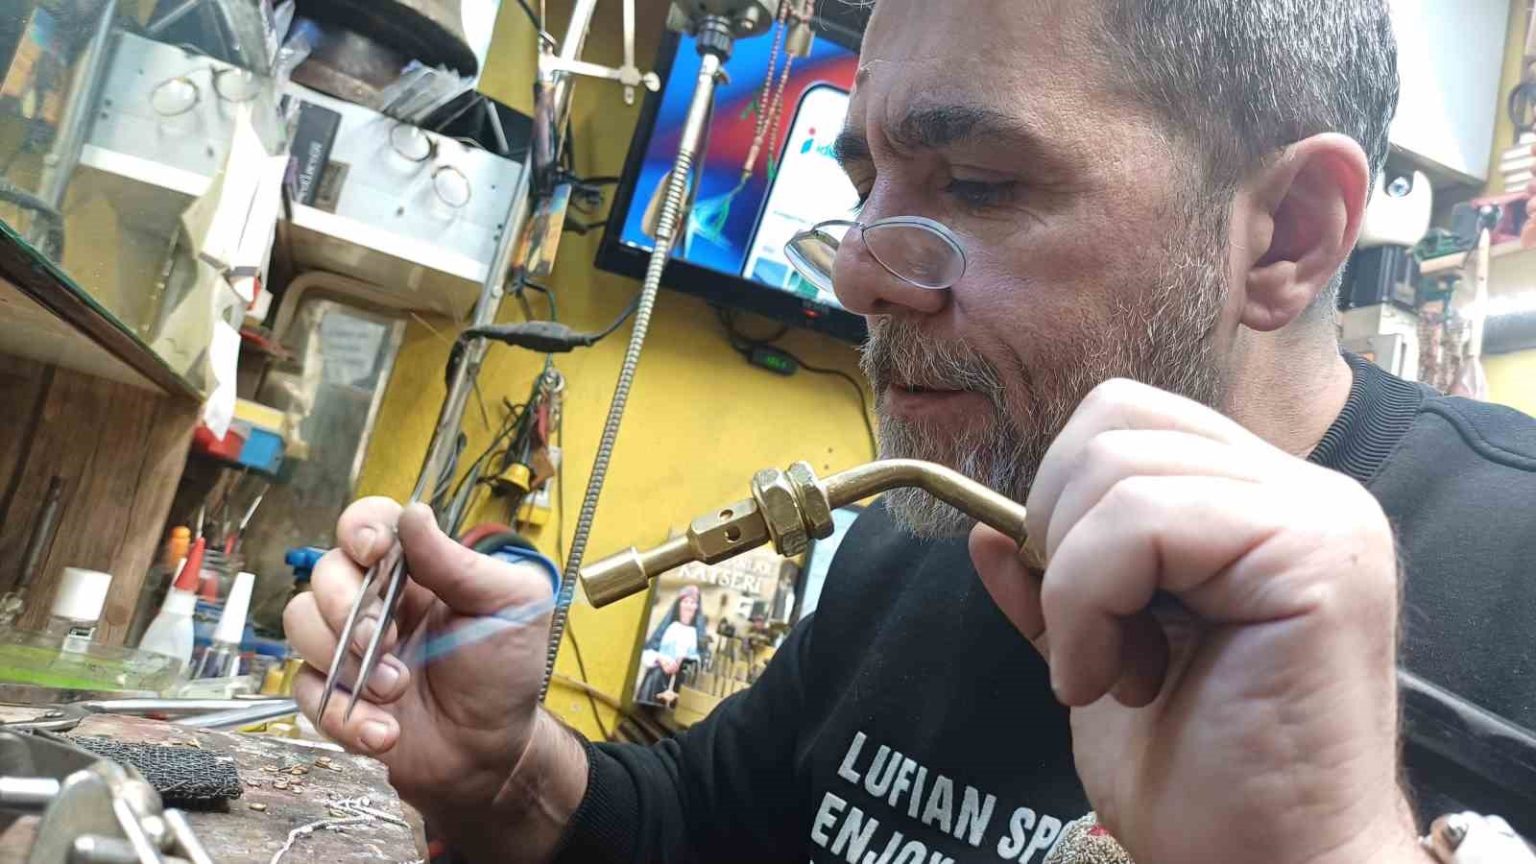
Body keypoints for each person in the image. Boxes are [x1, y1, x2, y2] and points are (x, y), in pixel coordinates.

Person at [282, 1, 1536, 862]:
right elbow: (706, 826)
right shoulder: (935, 515)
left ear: (1287, 234)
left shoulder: (1515, 573)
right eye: (861, 185)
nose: (856, 277)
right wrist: (504, 771)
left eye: (978, 185)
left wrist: (1335, 848)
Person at [634, 585, 708, 705]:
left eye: (692, 603)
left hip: (681, 683)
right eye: (685, 602)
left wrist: (685, 661)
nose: (688, 606)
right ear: (679, 604)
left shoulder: (697, 634)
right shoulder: (669, 627)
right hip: (657, 680)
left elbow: (702, 660)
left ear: (697, 607)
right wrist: (661, 659)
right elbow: (648, 650)